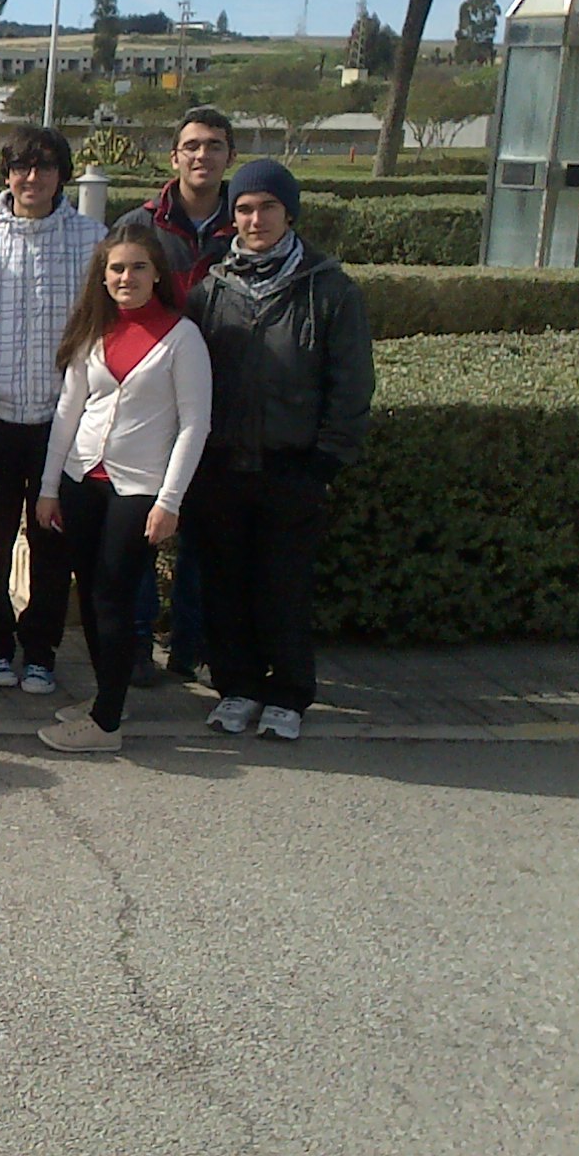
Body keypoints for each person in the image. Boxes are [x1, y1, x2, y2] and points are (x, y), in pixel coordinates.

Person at [186, 160, 373, 742]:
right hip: (221, 467)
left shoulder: (330, 289)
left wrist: (326, 459)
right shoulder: (211, 290)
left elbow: (351, 381)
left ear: (289, 213)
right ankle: (237, 688)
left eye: (267, 207)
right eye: (243, 208)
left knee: (284, 588)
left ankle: (289, 694)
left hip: (291, 467)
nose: (255, 219)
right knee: (225, 584)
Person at [34, 232, 212, 753]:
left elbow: (193, 425)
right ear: (103, 276)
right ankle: (107, 695)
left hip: (137, 490)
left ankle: (106, 724)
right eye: (116, 269)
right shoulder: (94, 331)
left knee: (113, 595)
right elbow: (68, 412)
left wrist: (170, 501)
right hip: (82, 480)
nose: (125, 278)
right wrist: (49, 488)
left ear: (157, 273)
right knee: (90, 595)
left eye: (137, 268)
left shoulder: (183, 338)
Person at [0, 124, 106, 695]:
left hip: (60, 418)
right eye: (21, 167)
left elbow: (99, 326)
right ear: (7, 174)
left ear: (61, 174)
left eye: (43, 167)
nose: (32, 178)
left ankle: (39, 649)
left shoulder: (92, 238)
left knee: (51, 538)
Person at [113, 105, 236, 683]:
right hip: (151, 397)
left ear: (228, 157)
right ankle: (138, 644)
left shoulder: (251, 222)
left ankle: (192, 645)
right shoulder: (141, 224)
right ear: (175, 157)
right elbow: (111, 296)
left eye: (213, 146)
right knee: (143, 523)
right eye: (192, 145)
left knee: (205, 534)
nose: (202, 155)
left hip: (226, 398)